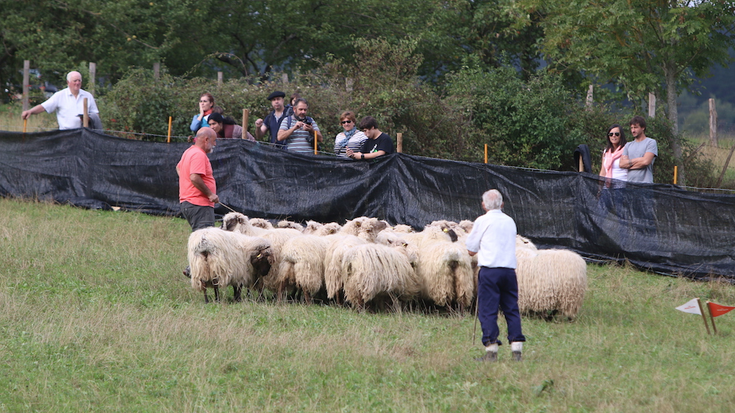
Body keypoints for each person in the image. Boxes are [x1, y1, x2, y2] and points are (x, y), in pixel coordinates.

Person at [465, 189, 526, 362]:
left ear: (483, 205)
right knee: (511, 308)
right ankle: (517, 351)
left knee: (488, 310)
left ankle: (491, 351)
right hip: (508, 271)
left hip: (490, 271)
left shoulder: (482, 221)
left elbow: (470, 250)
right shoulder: (510, 221)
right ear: (502, 204)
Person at [21, 71, 99, 130]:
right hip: (66, 135)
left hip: (84, 135)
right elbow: (44, 107)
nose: (77, 83)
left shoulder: (87, 96)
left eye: (79, 81)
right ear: (68, 82)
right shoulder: (60, 95)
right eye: (75, 81)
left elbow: (96, 115)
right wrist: (30, 111)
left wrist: (88, 119)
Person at [176, 127, 219, 232]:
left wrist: (186, 182)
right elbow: (194, 177)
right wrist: (210, 194)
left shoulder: (189, 151)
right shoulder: (198, 154)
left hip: (189, 202)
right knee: (206, 239)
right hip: (199, 204)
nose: (215, 144)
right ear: (206, 140)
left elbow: (178, 167)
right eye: (214, 141)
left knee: (202, 238)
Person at [620, 116, 657, 183]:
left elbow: (646, 162)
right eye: (631, 128)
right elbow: (622, 164)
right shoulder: (628, 145)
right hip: (630, 184)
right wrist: (640, 159)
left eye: (636, 127)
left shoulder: (650, 142)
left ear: (643, 128)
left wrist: (629, 165)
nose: (633, 130)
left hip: (645, 184)